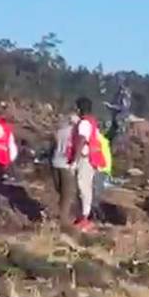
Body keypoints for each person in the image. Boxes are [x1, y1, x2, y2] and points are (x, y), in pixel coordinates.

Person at [66, 97, 108, 231]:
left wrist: (74, 161)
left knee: (83, 187)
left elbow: (82, 141)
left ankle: (85, 218)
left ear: (79, 108)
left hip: (86, 159)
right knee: (84, 188)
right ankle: (82, 216)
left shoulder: (84, 123)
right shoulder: (91, 122)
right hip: (91, 159)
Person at [50, 108, 80, 227]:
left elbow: (53, 146)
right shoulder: (76, 133)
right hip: (67, 164)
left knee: (60, 192)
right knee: (67, 195)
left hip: (55, 162)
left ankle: (60, 215)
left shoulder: (60, 131)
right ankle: (62, 221)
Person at [91, 124, 114, 221]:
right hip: (100, 169)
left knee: (97, 194)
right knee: (96, 194)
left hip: (102, 169)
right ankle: (97, 216)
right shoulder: (98, 139)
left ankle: (97, 215)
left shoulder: (100, 139)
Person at [105, 76, 131, 141]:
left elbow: (124, 108)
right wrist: (109, 106)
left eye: (119, 81)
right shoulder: (117, 94)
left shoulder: (125, 95)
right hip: (115, 120)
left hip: (121, 121)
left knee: (119, 139)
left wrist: (111, 106)